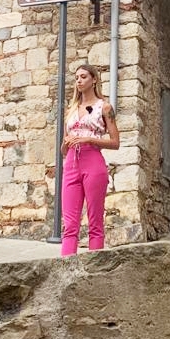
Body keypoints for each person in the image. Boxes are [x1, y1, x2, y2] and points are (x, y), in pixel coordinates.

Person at [60, 63, 120, 256]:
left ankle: (96, 269)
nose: (79, 80)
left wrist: (88, 139)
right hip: (71, 162)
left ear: (94, 80)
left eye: (84, 76)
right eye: (77, 77)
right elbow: (63, 148)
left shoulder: (104, 107)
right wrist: (67, 143)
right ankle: (65, 267)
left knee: (95, 221)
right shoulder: (71, 109)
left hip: (93, 161)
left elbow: (115, 142)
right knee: (69, 224)